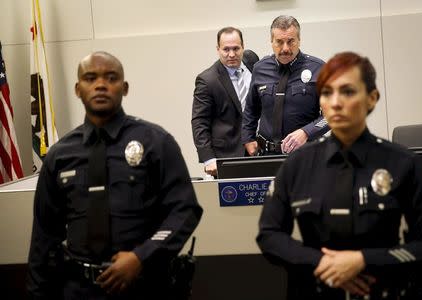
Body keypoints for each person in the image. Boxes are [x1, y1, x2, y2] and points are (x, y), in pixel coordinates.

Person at [256, 52, 422, 299]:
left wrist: (363, 261)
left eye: (347, 92)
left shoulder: (402, 163)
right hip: (315, 289)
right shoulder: (298, 164)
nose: (335, 102)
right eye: (327, 93)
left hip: (381, 290)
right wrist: (322, 263)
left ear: (372, 98)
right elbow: (269, 235)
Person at [26, 51, 203, 299]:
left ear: (125, 87)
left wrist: (142, 257)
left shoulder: (156, 143)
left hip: (145, 286)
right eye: (90, 78)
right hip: (79, 289)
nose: (101, 85)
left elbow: (185, 211)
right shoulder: (59, 155)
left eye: (111, 78)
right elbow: (44, 236)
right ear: (78, 89)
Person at [242, 15, 329, 156]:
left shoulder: (318, 69)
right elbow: (251, 110)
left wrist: (307, 132)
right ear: (271, 41)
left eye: (291, 41)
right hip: (267, 155)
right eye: (279, 42)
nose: (285, 48)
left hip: (306, 155)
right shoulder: (260, 68)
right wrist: (248, 138)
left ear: (299, 40)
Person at [192, 27, 259, 177]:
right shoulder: (207, 80)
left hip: (258, 151)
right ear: (218, 49)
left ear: (243, 47)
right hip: (227, 156)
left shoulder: (252, 61)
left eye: (236, 48)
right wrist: (208, 158)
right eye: (226, 49)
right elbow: (199, 122)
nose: (231, 54)